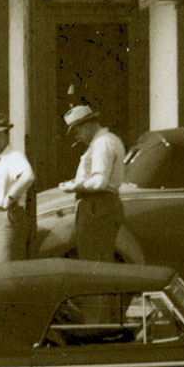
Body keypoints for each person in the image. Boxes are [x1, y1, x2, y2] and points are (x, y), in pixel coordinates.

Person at [58, 104, 124, 262]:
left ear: (87, 126)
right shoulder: (106, 140)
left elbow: (99, 182)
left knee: (93, 259)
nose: (77, 137)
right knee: (98, 256)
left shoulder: (102, 143)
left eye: (77, 131)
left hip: (97, 205)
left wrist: (74, 186)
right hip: (101, 205)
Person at [0, 114, 35, 264]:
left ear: (6, 134)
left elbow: (28, 176)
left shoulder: (13, 156)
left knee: (6, 270)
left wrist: (11, 196)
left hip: (8, 217)